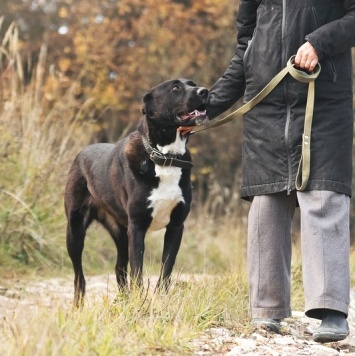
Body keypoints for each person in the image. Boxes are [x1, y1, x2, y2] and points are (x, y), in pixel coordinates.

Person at [179, 0, 355, 343]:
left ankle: (331, 310)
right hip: (266, 107)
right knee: (267, 204)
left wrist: (319, 42)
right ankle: (267, 308)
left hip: (324, 101)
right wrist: (206, 109)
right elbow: (245, 50)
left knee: (323, 197)